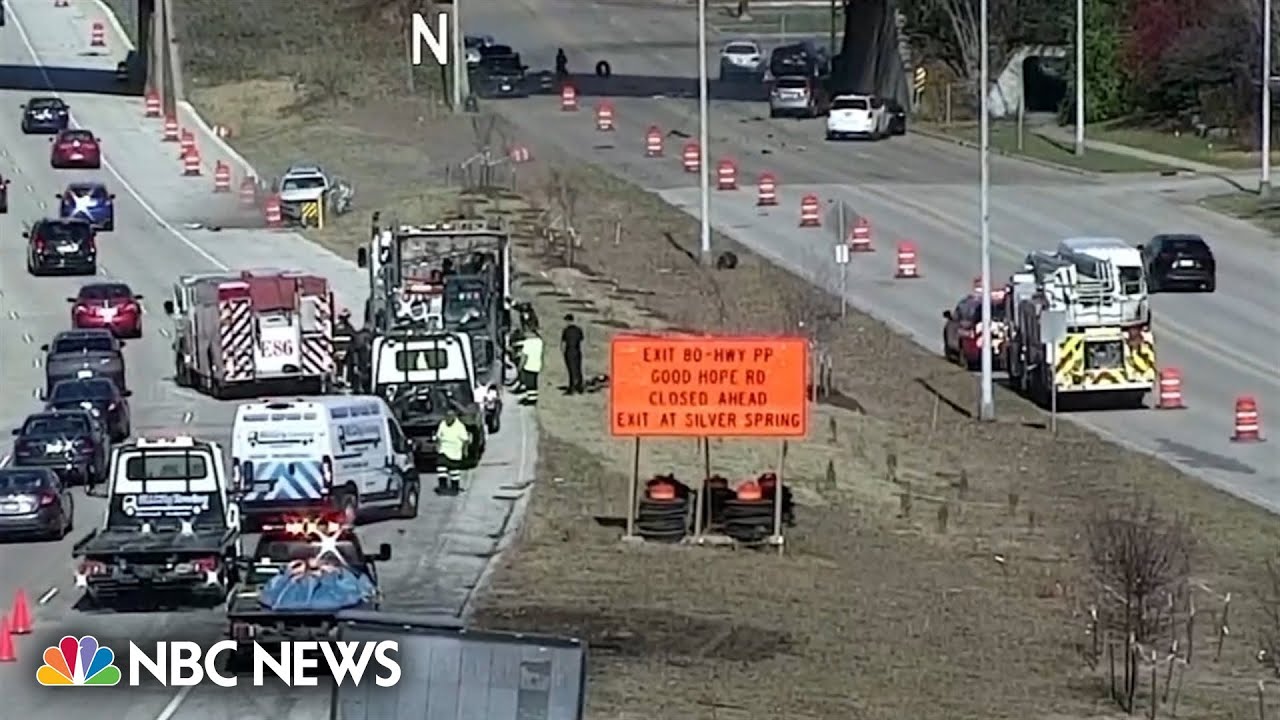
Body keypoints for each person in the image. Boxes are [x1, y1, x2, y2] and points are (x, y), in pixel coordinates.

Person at [433, 408, 472, 495]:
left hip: (455, 453)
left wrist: (465, 451)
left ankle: (454, 489)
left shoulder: (460, 426)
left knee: (454, 472)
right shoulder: (442, 424)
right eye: (447, 416)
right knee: (441, 468)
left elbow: (466, 440)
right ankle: (442, 488)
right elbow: (439, 437)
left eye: (450, 417)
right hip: (443, 451)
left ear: (454, 417)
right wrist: (437, 446)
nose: (448, 419)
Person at [516, 329, 544, 406]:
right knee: (534, 383)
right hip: (537, 365)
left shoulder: (527, 343)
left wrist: (520, 366)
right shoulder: (539, 342)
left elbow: (524, 356)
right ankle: (533, 398)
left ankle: (531, 399)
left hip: (528, 366)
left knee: (529, 384)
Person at [560, 314, 584, 394]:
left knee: (571, 369)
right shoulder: (578, 330)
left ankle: (571, 387)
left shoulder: (566, 330)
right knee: (578, 368)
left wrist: (562, 352)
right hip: (577, 350)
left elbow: (563, 343)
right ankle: (580, 386)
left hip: (569, 351)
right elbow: (581, 340)